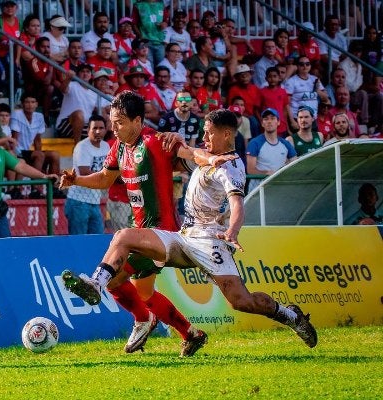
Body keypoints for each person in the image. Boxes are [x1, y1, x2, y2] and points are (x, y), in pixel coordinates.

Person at [61, 108, 318, 350]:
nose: (204, 136)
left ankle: (290, 315)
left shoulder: (230, 167)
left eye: (209, 132)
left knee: (242, 301)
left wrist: (233, 230)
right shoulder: (209, 155)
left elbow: (237, 204)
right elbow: (191, 153)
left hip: (210, 241)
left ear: (226, 134)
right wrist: (177, 139)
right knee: (123, 236)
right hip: (183, 237)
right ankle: (96, 283)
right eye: (204, 131)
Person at [60, 91, 225, 356]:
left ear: (138, 120)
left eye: (120, 122)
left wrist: (213, 158)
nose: (114, 128)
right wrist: (76, 180)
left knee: (117, 266)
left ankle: (98, 285)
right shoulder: (120, 147)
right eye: (112, 122)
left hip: (162, 233)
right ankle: (190, 333)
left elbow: (190, 155)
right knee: (142, 293)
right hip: (142, 232)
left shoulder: (155, 142)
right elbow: (104, 178)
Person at [65, 115, 111, 235]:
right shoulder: (82, 147)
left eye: (101, 128)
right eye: (94, 128)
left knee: (97, 238)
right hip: (78, 201)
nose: (98, 131)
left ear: (106, 130)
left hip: (94, 201)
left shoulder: (106, 146)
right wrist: (107, 177)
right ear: (88, 130)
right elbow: (84, 172)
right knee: (79, 241)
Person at [10, 93, 61, 199]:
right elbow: (14, 138)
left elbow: (37, 140)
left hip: (29, 152)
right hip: (19, 151)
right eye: (27, 102)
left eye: (33, 102)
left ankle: (54, 189)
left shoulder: (39, 116)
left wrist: (40, 160)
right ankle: (35, 189)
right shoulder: (17, 114)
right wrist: (16, 154)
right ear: (23, 104)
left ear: (37, 104)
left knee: (54, 155)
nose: (30, 105)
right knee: (39, 155)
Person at [246, 108, 297, 192]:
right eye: (266, 119)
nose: (269, 121)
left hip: (278, 188)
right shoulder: (254, 143)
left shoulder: (285, 144)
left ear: (278, 122)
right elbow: (250, 170)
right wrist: (266, 173)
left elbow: (295, 164)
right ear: (262, 123)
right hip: (257, 190)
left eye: (272, 118)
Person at [259, 67, 290, 137]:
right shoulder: (262, 92)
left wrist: (287, 127)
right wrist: (261, 121)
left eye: (275, 76)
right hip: (267, 125)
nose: (272, 79)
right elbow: (257, 109)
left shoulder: (283, 91)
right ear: (266, 79)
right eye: (270, 77)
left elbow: (285, 110)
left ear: (279, 78)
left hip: (281, 125)